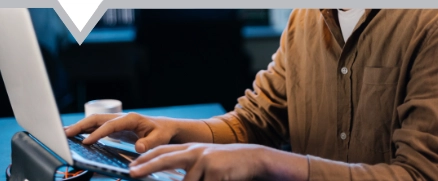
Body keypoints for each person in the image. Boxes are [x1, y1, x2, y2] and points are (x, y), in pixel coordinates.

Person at [65, 9, 438, 180]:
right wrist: (168, 128)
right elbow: (254, 122)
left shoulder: (427, 23)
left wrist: (267, 162)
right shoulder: (303, 19)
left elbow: (420, 174)